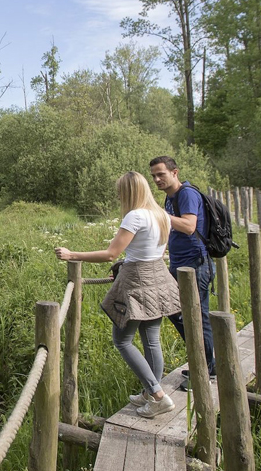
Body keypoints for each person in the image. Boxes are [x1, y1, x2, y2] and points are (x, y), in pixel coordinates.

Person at [55, 172, 181, 418]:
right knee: (151, 340)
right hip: (157, 278)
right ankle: (150, 391)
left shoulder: (135, 216)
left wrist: (72, 255)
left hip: (137, 282)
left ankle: (157, 395)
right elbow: (150, 251)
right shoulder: (162, 215)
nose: (118, 196)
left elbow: (110, 254)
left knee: (122, 341)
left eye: (120, 192)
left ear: (128, 192)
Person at [149, 155, 216, 391]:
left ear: (174, 172)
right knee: (178, 312)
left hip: (195, 266)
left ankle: (206, 370)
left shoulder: (186, 194)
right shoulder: (170, 198)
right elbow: (172, 231)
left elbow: (188, 226)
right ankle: (205, 364)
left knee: (198, 317)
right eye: (154, 176)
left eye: (161, 174)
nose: (157, 179)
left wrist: (159, 214)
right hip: (181, 265)